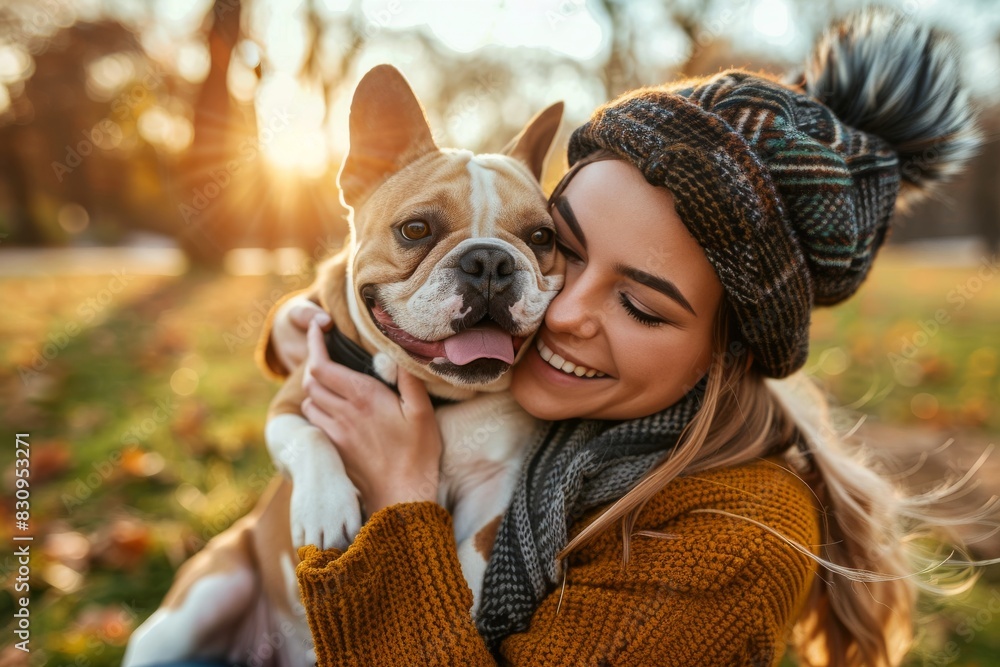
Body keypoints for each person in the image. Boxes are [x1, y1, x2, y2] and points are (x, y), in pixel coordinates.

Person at [268, 9, 989, 667]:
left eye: (640, 306)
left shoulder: (736, 545)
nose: (564, 312)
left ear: (727, 350)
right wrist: (301, 324)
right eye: (561, 248)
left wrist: (401, 503)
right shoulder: (557, 384)